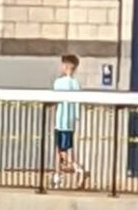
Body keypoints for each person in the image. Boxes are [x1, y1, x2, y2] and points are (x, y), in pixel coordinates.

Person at [49, 52, 87, 192]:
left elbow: (54, 100)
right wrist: (76, 117)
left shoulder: (59, 82)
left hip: (60, 120)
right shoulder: (76, 84)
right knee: (62, 149)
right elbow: (77, 104)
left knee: (60, 150)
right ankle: (57, 177)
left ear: (66, 66)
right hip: (70, 122)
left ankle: (77, 169)